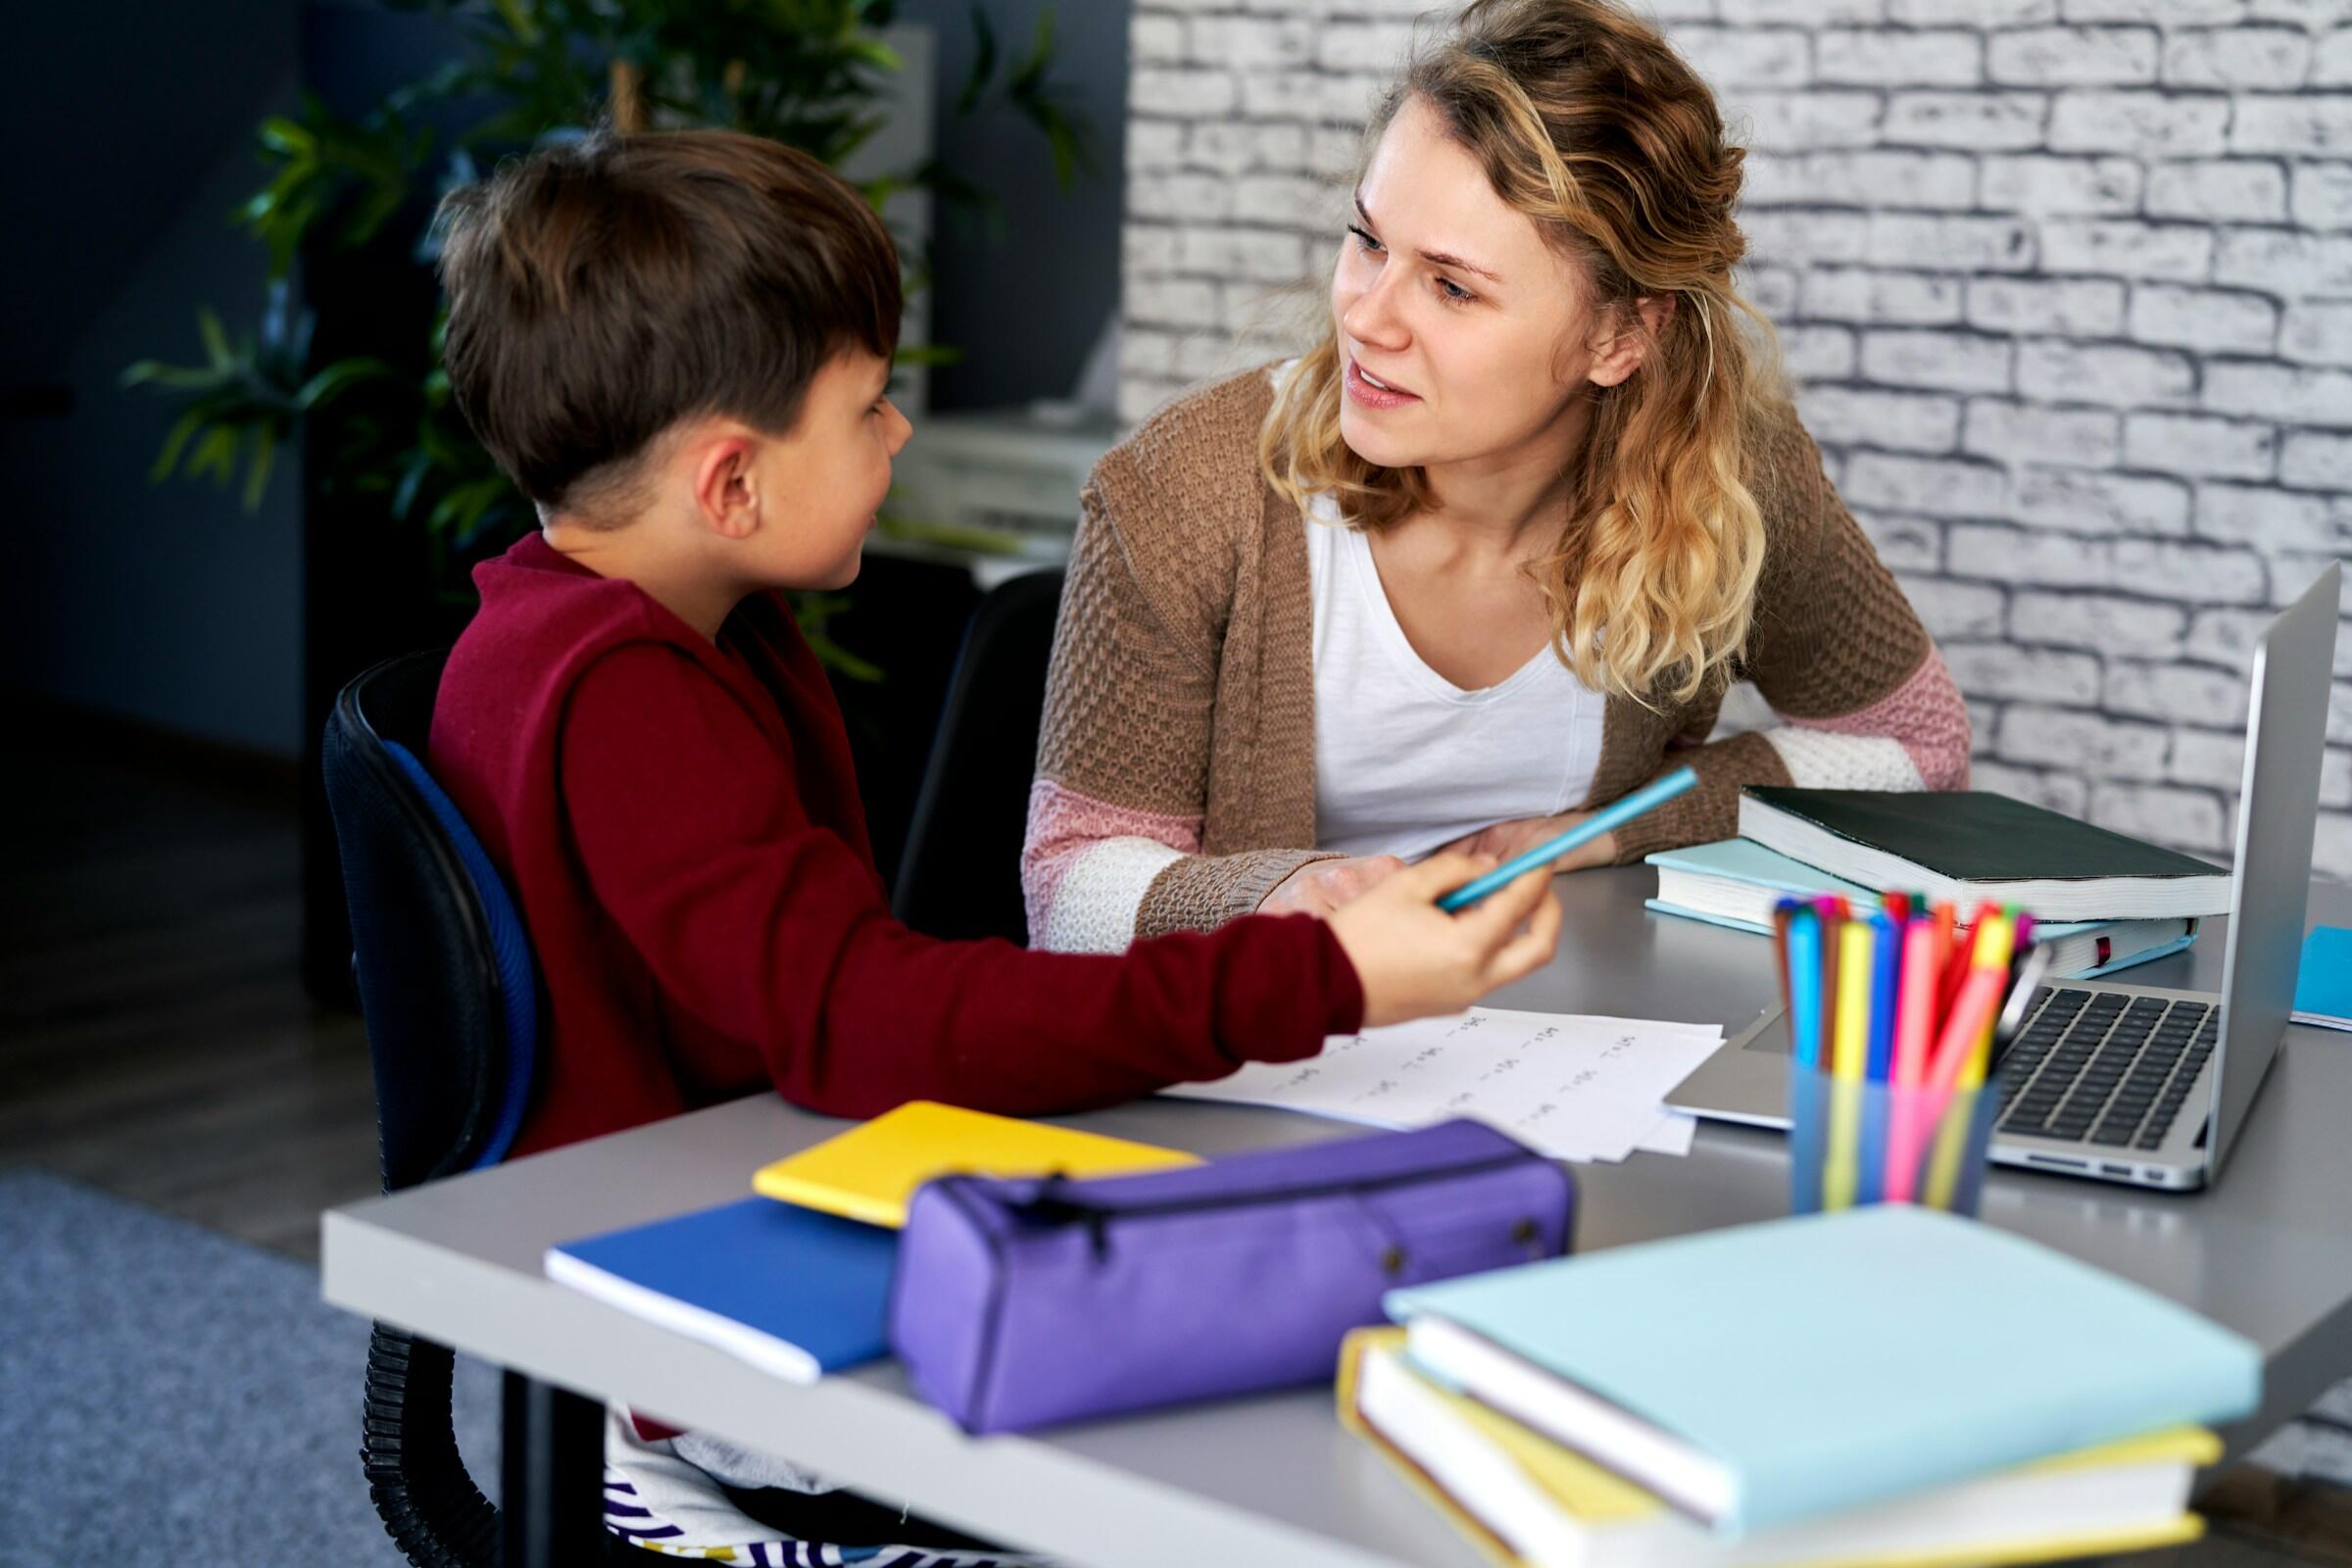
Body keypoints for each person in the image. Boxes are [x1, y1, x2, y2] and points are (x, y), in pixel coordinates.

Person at [424, 126, 1561, 1560]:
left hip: (726, 1214)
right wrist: (1315, 978)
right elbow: (856, 1021)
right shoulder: (628, 705)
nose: (898, 434)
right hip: (694, 1352)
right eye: (870, 407)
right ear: (731, 486)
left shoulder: (621, 636)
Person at [1023, 0, 1970, 955]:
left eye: (1451, 286)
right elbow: (1067, 890)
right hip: (1278, 1057)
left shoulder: (1724, 476)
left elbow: (1916, 744)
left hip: (1573, 1038)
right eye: (1368, 240)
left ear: (1620, 336)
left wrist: (1626, 826)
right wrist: (1291, 896)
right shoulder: (1185, 490)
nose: (1365, 317)